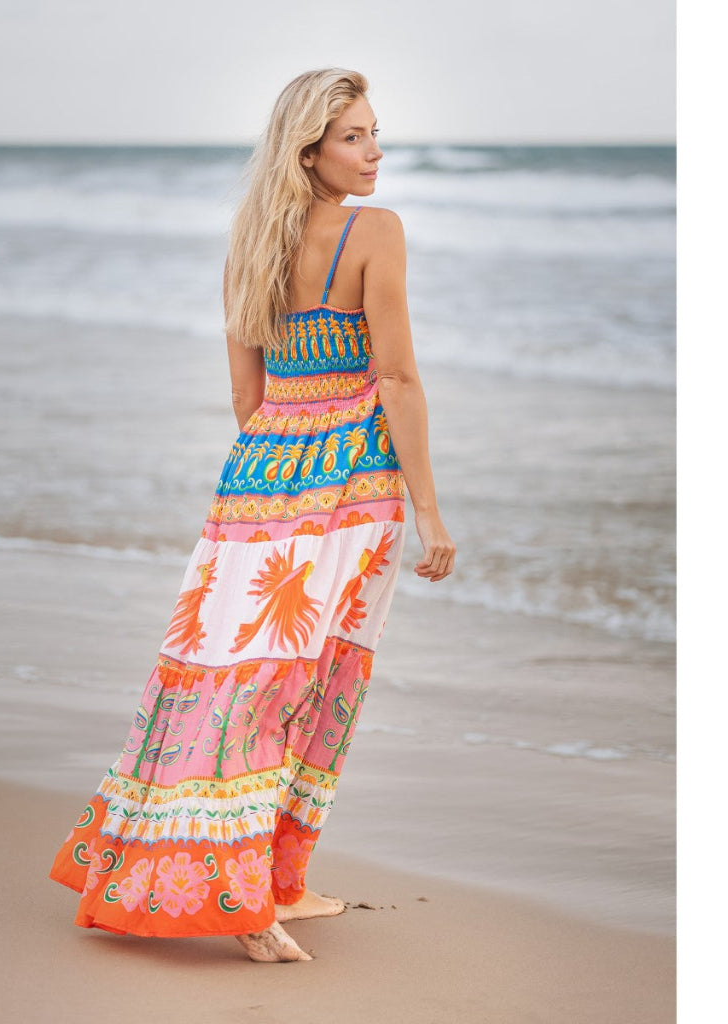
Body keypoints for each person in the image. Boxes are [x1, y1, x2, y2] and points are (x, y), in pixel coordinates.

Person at [49, 68, 455, 963]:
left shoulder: (249, 244)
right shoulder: (375, 231)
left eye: (374, 133)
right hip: (352, 484)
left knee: (223, 673)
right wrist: (428, 511)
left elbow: (248, 396)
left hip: (255, 482)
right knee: (314, 681)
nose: (374, 152)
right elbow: (395, 379)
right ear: (308, 150)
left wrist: (276, 477)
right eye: (353, 136)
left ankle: (266, 882)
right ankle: (247, 895)